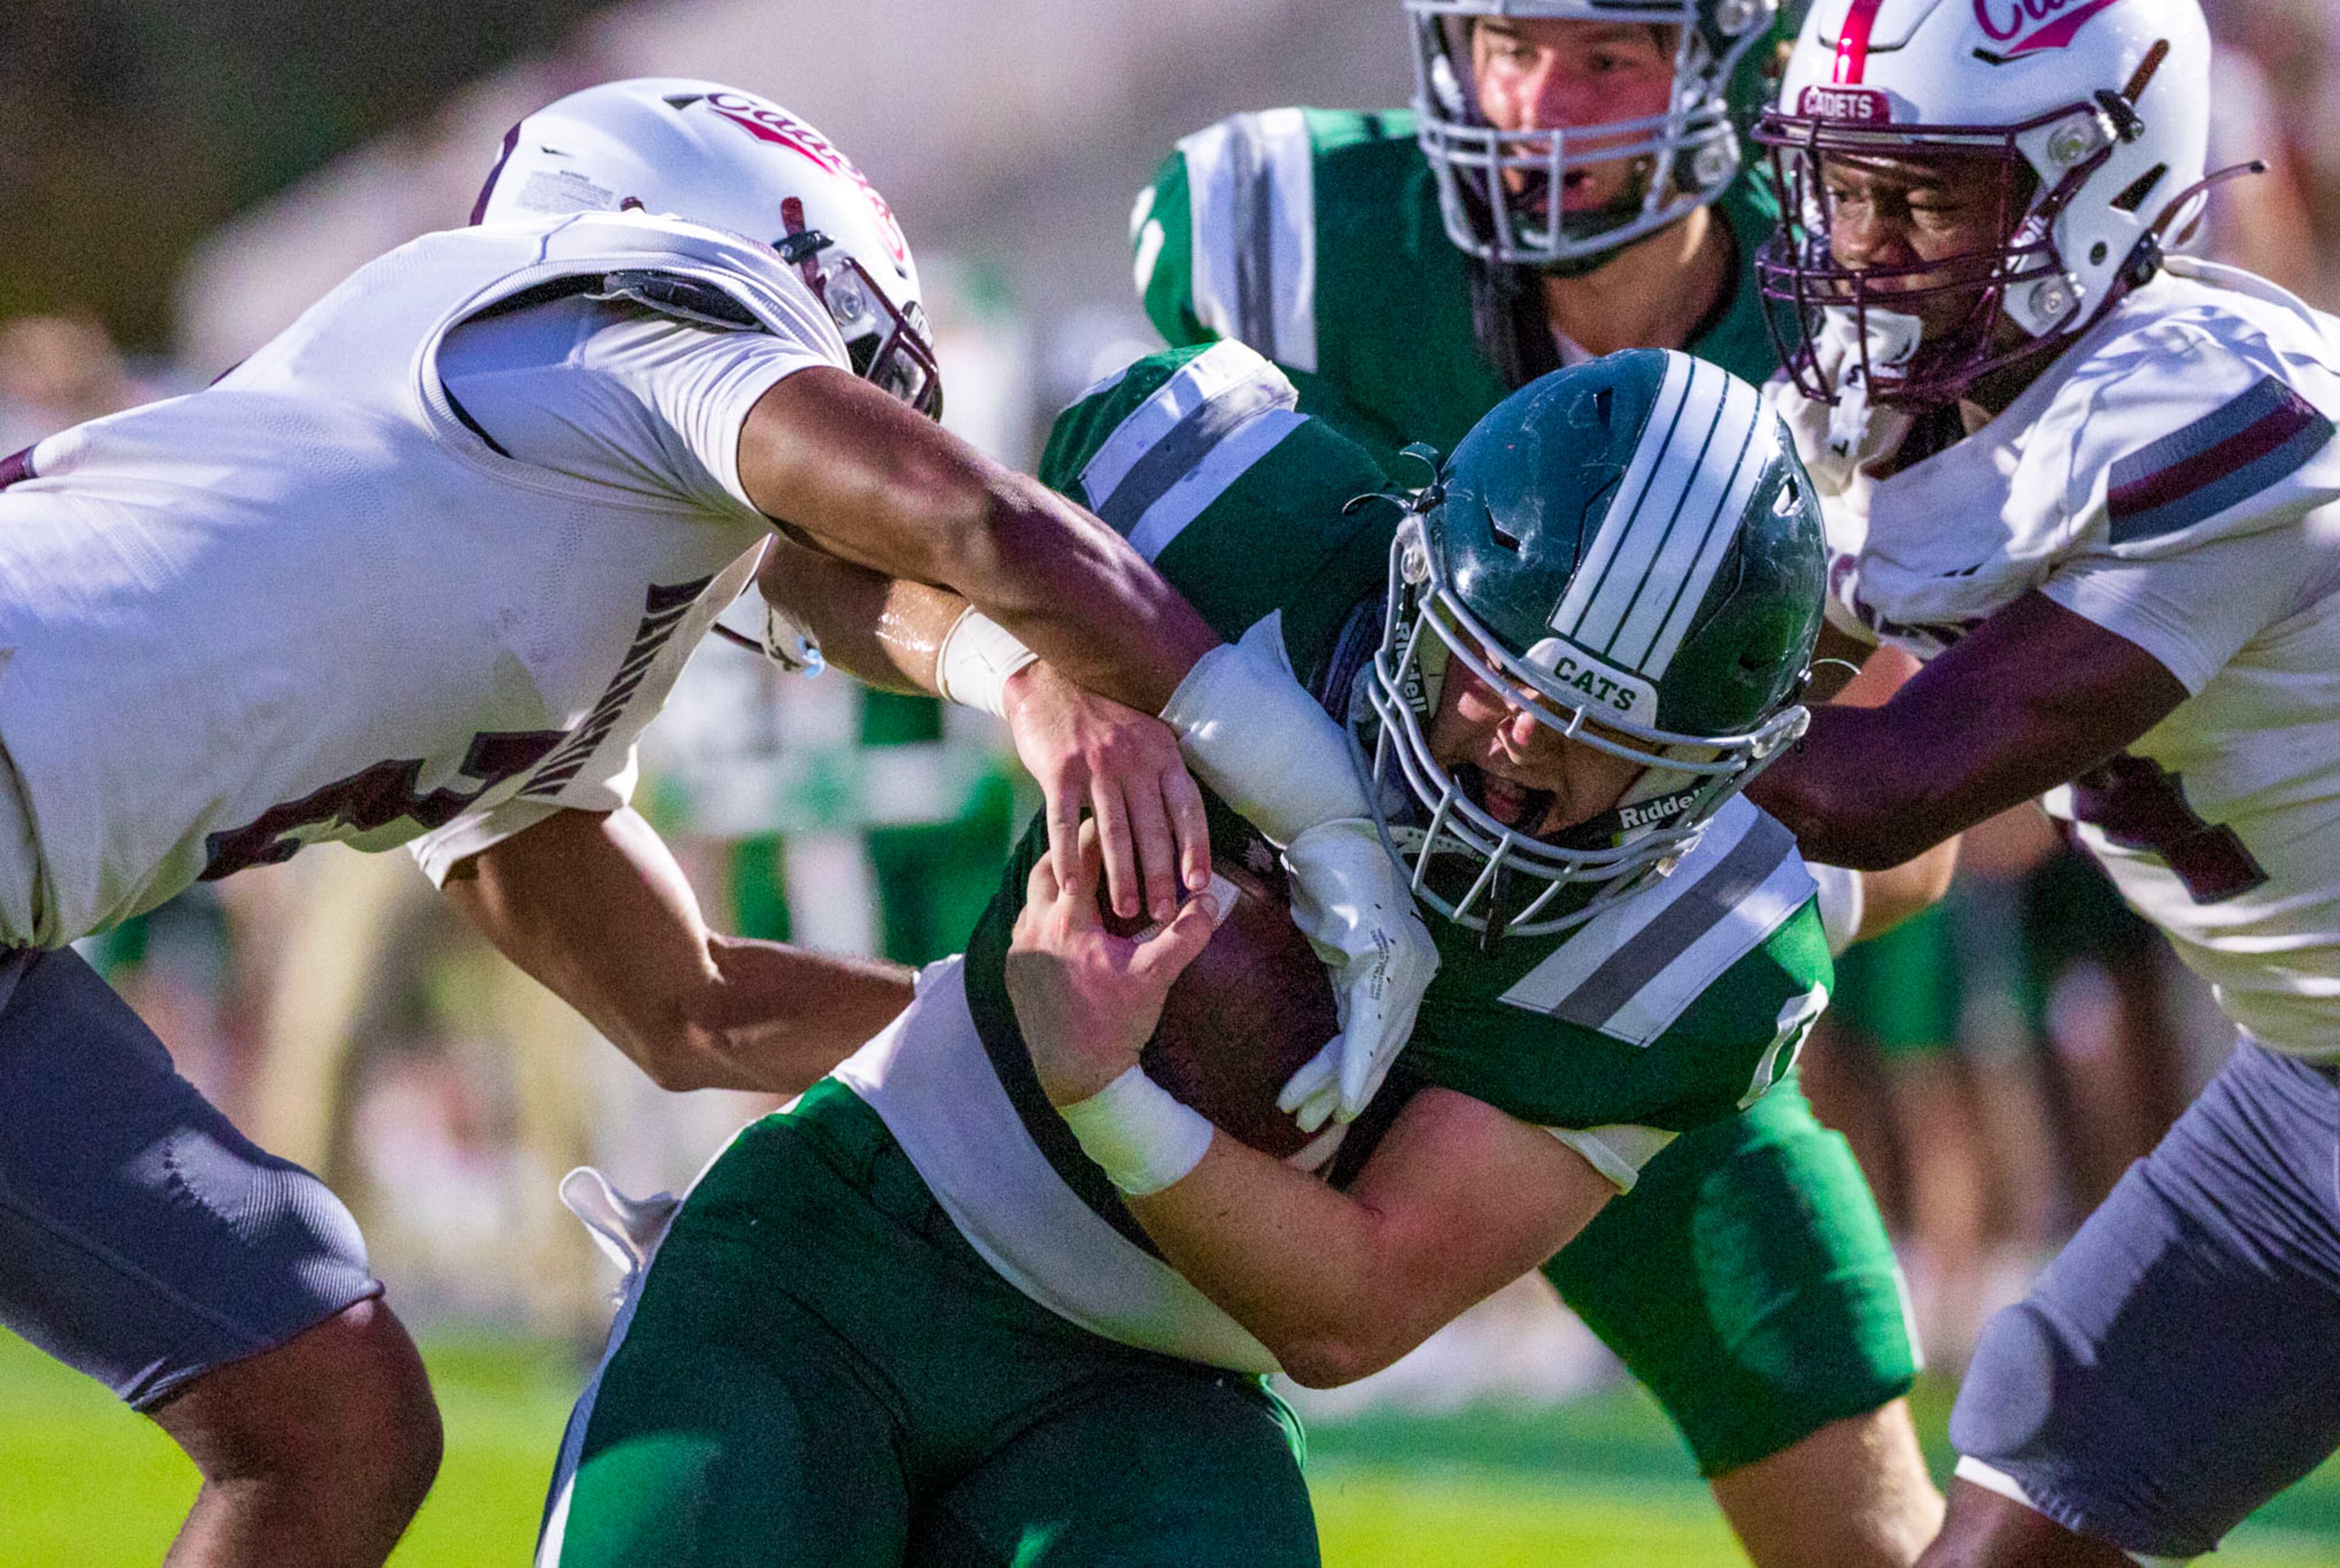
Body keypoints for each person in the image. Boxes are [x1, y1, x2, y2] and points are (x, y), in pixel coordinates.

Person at [0, 77, 1433, 1567]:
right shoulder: (608, 312)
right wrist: (1314, 810)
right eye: (864, 371)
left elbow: (689, 1008)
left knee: (332, 1418)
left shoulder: (524, 568)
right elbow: (968, 526)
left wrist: (1045, 1068)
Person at [537, 344, 1870, 1567]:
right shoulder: (1243, 515)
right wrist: (1022, 669)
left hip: (1156, 1394)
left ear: (1717, 764)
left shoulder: (1709, 944)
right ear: (1424, 571)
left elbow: (1358, 1300)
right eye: (1496, 665)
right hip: (848, 1238)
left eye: (1601, 729)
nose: (1517, 734)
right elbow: (796, 555)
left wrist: (1106, 1091)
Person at [1125, 5, 1950, 1558]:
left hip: (1596, 974)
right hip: (1261, 933)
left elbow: (1913, 841)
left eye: (1608, 59)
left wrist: (1665, 932)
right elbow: (1106, 554)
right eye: (1513, 45)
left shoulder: (1852, 332)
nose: (1540, 109)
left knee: (1844, 1467)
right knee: (986, 1289)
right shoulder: (1296, 228)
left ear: (1729, 66)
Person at [1743, 2, 2340, 1562]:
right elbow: (1769, 672)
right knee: (2054, 1443)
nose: (1868, 249)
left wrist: (1602, 712)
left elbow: (1885, 782)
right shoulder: (1896, 404)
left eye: (1928, 194)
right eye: (1849, 186)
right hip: (2308, 1080)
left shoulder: (2210, 406)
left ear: (2096, 181)